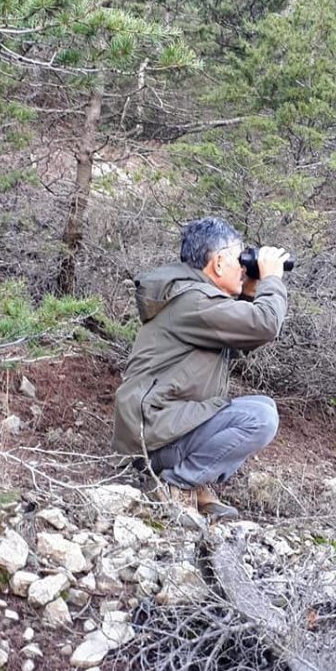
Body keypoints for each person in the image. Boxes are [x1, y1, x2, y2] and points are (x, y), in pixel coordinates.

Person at [112, 216, 289, 522]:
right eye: (239, 259)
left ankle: (191, 482)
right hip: (154, 436)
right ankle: (175, 484)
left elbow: (238, 345)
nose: (244, 266)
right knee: (260, 417)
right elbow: (265, 325)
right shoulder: (193, 301)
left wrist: (250, 289)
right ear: (219, 263)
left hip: (159, 430)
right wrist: (272, 279)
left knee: (262, 406)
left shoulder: (194, 299)